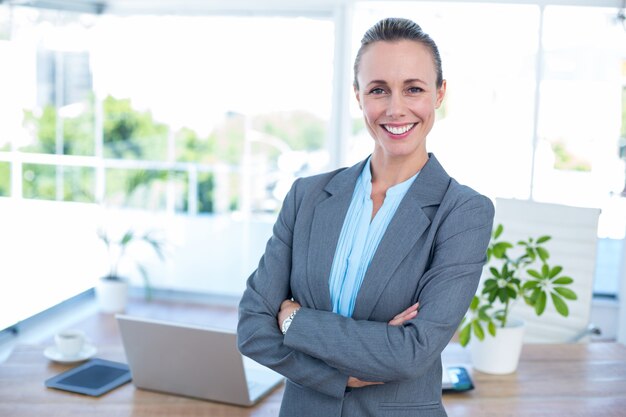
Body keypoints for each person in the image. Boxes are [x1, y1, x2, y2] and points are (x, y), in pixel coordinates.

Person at [237, 17, 494, 417]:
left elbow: (412, 353)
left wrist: (294, 320)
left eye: (414, 89)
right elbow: (252, 328)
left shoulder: (463, 212)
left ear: (439, 94)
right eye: (378, 90)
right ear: (357, 95)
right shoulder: (307, 197)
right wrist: (342, 375)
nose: (395, 109)